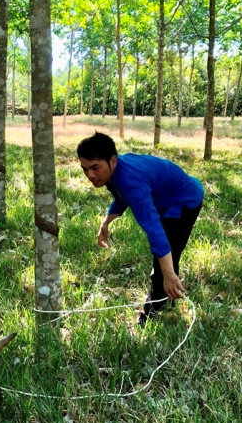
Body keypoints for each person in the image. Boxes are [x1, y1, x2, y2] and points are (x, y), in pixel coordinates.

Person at [77, 132, 204, 325]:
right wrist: (106, 222)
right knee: (168, 257)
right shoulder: (115, 172)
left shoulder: (131, 181)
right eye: (85, 169)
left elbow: (154, 231)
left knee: (166, 257)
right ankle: (168, 297)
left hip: (184, 200)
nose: (90, 176)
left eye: (95, 168)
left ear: (112, 160)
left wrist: (168, 274)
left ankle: (151, 316)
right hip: (167, 198)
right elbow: (121, 197)